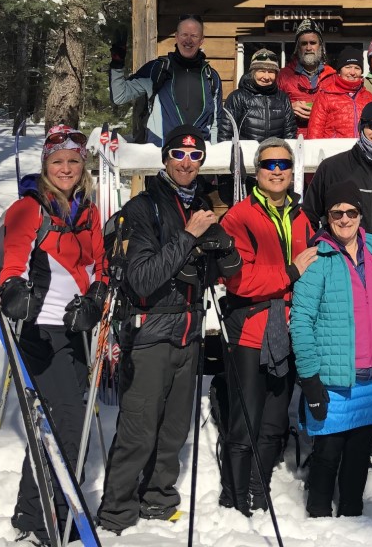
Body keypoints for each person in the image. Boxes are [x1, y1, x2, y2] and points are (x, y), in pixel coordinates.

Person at [97, 125, 242, 533]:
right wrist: (189, 237)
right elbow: (142, 279)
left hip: (189, 330)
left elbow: (220, 271)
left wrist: (223, 251)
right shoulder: (145, 208)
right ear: (165, 159)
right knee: (138, 431)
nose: (186, 162)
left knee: (175, 428)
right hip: (150, 331)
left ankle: (159, 500)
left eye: (195, 156)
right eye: (178, 153)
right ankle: (116, 513)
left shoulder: (201, 205)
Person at [0, 126, 107, 547]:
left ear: (83, 167)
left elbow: (100, 263)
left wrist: (96, 297)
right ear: (46, 166)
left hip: (76, 329)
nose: (66, 168)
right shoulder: (29, 208)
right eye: (58, 161)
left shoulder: (89, 212)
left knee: (61, 423)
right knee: (66, 420)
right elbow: (14, 260)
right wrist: (13, 290)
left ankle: (35, 510)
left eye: (73, 161)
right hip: (39, 330)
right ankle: (47, 519)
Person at [216, 138, 315, 514]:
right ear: (257, 171)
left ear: (293, 172)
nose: (277, 171)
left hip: (288, 329)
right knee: (246, 419)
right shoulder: (239, 217)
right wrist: (290, 272)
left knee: (275, 420)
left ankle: (259, 487)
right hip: (250, 328)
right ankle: (235, 495)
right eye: (269, 164)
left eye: (284, 165)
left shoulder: (301, 216)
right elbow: (239, 279)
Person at [290, 181, 372, 517]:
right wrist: (309, 379)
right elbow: (301, 321)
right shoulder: (317, 259)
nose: (345, 219)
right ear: (327, 218)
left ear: (360, 215)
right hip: (333, 382)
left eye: (351, 212)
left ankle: (352, 515)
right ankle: (319, 520)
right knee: (328, 456)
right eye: (337, 213)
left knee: (359, 457)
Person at [302, 101, 372, 275]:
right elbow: (309, 218)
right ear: (361, 126)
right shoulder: (332, 167)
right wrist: (324, 258)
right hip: (338, 270)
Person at [110, 13, 222, 146]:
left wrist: (214, 154)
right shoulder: (156, 70)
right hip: (161, 153)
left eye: (194, 36)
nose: (188, 40)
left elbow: (216, 123)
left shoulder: (211, 77)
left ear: (201, 40)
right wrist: (117, 64)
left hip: (197, 156)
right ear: (176, 36)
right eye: (184, 34)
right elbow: (119, 96)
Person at [219, 48, 297, 199]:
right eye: (262, 71)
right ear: (253, 72)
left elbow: (289, 134)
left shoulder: (282, 99)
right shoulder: (238, 97)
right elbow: (225, 135)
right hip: (245, 172)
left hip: (273, 168)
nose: (266, 77)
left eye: (271, 72)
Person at [276, 19, 335, 135]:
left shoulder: (332, 77)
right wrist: (288, 108)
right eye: (304, 43)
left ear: (320, 46)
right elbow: (269, 108)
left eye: (313, 43)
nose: (308, 48)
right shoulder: (283, 76)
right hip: (293, 139)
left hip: (324, 139)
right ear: (298, 48)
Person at [307, 48, 371, 139]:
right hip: (334, 150)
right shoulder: (325, 96)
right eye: (348, 67)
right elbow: (314, 133)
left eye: (357, 68)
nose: (352, 72)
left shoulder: (368, 97)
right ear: (339, 71)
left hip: (360, 151)